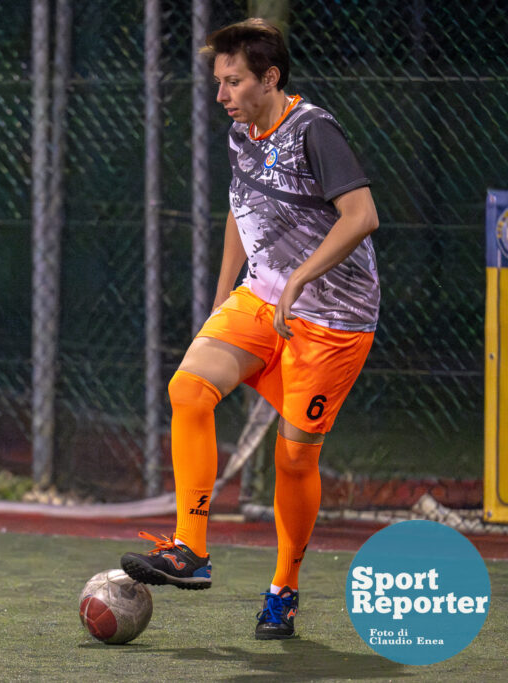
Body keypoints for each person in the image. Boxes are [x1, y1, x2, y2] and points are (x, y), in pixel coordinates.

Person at [121, 18, 380, 640]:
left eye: (233, 82)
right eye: (218, 81)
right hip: (261, 296)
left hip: (333, 318)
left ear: (271, 79)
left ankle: (284, 588)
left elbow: (362, 215)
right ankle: (191, 547)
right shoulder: (243, 131)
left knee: (293, 459)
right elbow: (244, 206)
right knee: (188, 389)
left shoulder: (314, 129)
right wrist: (223, 296)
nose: (221, 95)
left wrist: (298, 281)